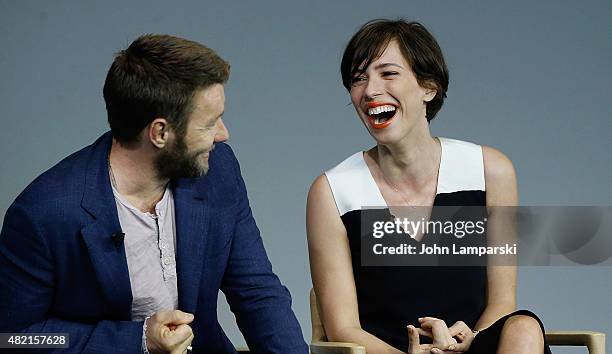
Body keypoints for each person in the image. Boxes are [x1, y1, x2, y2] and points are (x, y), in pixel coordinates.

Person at [0, 34, 308, 354]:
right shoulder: (42, 213)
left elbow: (258, 292)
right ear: (160, 133)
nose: (223, 134)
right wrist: (138, 340)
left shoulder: (219, 171)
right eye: (209, 123)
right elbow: (14, 339)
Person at [307, 19, 552, 354]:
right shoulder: (332, 192)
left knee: (523, 328)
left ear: (428, 87)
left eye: (388, 73)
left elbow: (503, 301)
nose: (369, 91)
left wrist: (465, 343)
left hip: (471, 348)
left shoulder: (491, 172)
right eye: (358, 79)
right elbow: (343, 328)